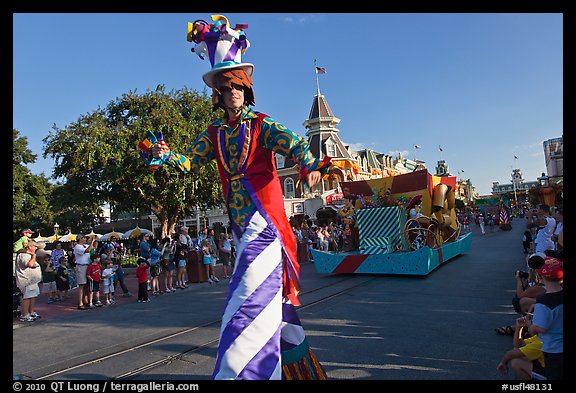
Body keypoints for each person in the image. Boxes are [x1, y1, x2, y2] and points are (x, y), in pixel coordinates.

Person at [148, 15, 329, 380]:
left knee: (246, 298)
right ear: (218, 93)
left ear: (247, 90)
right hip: (237, 223)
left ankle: (244, 372)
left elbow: (294, 144)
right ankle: (296, 367)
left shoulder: (262, 124)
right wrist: (165, 154)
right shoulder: (213, 132)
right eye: (226, 86)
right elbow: (190, 161)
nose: (232, 91)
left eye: (238, 86)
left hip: (265, 221)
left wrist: (309, 165)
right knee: (269, 303)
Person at [529, 259, 563, 380]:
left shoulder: (543, 301)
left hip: (553, 349)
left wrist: (531, 327)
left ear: (542, 277)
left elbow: (541, 327)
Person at [497, 313, 546, 380]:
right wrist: (519, 327)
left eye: (531, 322)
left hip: (548, 372)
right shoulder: (541, 337)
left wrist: (503, 363)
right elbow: (518, 345)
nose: (528, 324)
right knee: (519, 352)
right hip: (547, 364)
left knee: (516, 362)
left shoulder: (540, 342)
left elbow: (510, 354)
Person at [14, 240, 44, 322]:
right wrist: (34, 256)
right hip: (26, 280)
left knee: (32, 296)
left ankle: (31, 311)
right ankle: (25, 314)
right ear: (29, 247)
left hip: (33, 281)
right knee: (26, 297)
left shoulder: (28, 255)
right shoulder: (24, 255)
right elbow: (30, 264)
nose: (36, 248)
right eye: (34, 246)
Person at [74, 234, 96, 310]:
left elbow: (93, 249)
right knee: (81, 285)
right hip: (81, 266)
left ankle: (86, 300)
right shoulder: (77, 247)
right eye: (84, 238)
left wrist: (93, 242)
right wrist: (92, 242)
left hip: (87, 265)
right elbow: (87, 250)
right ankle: (80, 303)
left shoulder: (85, 245)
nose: (85, 239)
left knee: (87, 284)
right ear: (80, 239)